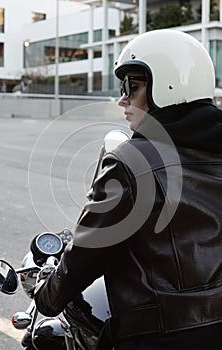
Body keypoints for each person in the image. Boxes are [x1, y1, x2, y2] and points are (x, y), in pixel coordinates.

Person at [34, 29, 222, 349]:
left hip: (159, 336)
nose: (122, 98)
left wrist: (46, 297)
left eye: (132, 87)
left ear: (168, 88)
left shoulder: (132, 162)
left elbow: (86, 253)